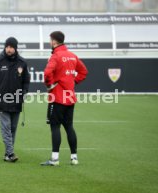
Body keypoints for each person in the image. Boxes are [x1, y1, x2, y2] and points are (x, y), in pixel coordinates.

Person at [41, 31, 88, 166]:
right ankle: (74, 158)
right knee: (69, 127)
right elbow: (84, 72)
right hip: (70, 97)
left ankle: (54, 159)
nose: (49, 43)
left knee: (55, 127)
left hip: (57, 97)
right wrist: (73, 82)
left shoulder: (55, 56)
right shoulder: (72, 56)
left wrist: (49, 84)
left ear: (54, 41)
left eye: (50, 40)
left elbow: (47, 73)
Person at [0, 37, 30, 163]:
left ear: (15, 48)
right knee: (6, 128)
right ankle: (11, 154)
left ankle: (7, 153)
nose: (9, 49)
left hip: (16, 101)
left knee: (12, 129)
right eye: (7, 47)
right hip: (2, 101)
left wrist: (24, 92)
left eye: (11, 47)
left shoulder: (22, 62)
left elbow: (26, 81)